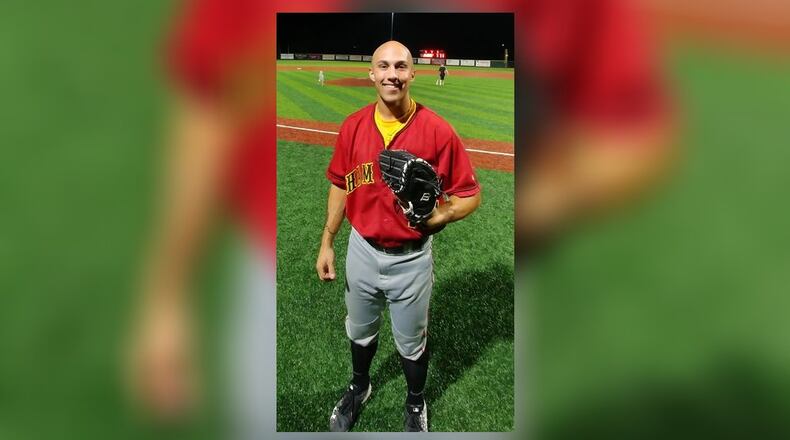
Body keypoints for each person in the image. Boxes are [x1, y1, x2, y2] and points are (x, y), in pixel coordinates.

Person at [315, 40, 481, 433]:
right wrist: (327, 240)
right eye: (384, 66)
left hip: (411, 259)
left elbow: (470, 195)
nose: (393, 74)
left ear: (413, 73)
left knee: (411, 343)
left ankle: (415, 402)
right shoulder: (354, 126)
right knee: (359, 330)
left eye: (401, 67)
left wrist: (441, 216)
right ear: (371, 73)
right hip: (361, 250)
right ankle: (359, 386)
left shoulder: (438, 131)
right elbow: (341, 184)